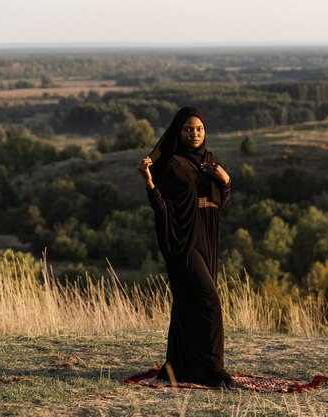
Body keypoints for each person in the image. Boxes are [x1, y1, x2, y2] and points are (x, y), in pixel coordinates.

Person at [137, 106, 236, 388]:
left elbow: (220, 206)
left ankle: (181, 368)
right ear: (178, 131)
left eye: (199, 129)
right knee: (210, 302)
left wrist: (226, 181)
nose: (194, 134)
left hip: (207, 238)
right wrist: (148, 183)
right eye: (188, 129)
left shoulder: (210, 161)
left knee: (187, 306)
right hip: (182, 241)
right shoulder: (169, 164)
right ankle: (213, 369)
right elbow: (163, 207)